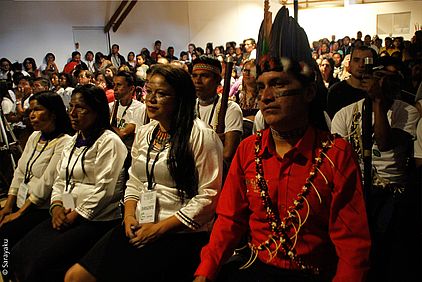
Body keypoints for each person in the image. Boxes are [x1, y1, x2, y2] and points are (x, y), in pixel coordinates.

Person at [194, 53, 371, 282]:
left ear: (308, 92)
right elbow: (229, 220)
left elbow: (352, 243)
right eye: (261, 87)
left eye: (278, 85)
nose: (266, 97)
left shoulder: (336, 153)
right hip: (255, 267)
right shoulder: (249, 149)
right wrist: (206, 271)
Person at [64, 64, 223, 281]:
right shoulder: (146, 132)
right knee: (75, 276)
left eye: (162, 94)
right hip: (139, 223)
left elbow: (209, 196)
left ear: (180, 98)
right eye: (149, 91)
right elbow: (135, 180)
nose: (151, 99)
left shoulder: (201, 136)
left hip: (178, 231)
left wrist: (159, 229)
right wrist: (129, 215)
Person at [10, 84, 127, 281]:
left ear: (96, 111)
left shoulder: (110, 142)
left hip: (95, 219)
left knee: (42, 262)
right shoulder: (73, 141)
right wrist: (56, 206)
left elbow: (104, 190)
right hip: (64, 212)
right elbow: (60, 179)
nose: (72, 113)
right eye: (71, 106)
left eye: (80, 108)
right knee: (17, 252)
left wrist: (75, 216)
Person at [331, 56, 420, 282]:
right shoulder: (345, 114)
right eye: (380, 78)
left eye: (391, 79)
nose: (384, 84)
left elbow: (385, 142)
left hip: (392, 191)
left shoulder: (407, 111)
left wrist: (378, 102)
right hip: (357, 190)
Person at [0, 91, 73, 280]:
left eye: (38, 109)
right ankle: (7, 272)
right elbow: (20, 172)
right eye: (31, 110)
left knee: (7, 235)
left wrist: (19, 212)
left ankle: (8, 273)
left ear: (53, 113)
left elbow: (47, 182)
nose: (32, 114)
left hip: (41, 207)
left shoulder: (64, 141)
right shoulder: (34, 137)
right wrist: (8, 205)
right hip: (23, 201)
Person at [192, 56, 243, 168]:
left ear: (217, 81)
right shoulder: (188, 107)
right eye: (194, 76)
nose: (197, 81)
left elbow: (227, 154)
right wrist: (212, 141)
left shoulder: (231, 108)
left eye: (204, 76)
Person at [326, 46, 378, 119]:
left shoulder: (377, 91)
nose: (361, 65)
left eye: (366, 61)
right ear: (350, 63)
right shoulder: (336, 91)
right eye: (356, 60)